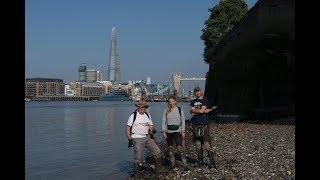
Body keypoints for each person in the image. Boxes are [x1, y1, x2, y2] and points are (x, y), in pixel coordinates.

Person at [126, 100, 165, 178]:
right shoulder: (133, 115)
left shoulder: (147, 115)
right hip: (137, 138)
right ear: (138, 107)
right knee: (138, 158)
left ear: (146, 108)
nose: (142, 108)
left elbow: (151, 125)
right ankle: (137, 175)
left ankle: (159, 170)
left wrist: (153, 129)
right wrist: (129, 139)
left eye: (143, 107)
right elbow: (128, 127)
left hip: (147, 137)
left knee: (158, 152)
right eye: (140, 107)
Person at [189, 87, 216, 168]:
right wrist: (203, 110)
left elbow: (196, 111)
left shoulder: (205, 100)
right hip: (195, 123)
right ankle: (200, 161)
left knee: (206, 142)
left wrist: (196, 111)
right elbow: (193, 112)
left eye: (198, 91)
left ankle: (212, 161)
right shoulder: (192, 101)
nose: (197, 93)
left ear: (201, 92)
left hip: (204, 123)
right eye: (195, 92)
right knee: (197, 142)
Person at [161, 95, 187, 167]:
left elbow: (183, 121)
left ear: (175, 101)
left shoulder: (179, 109)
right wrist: (164, 132)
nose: (171, 103)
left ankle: (185, 164)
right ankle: (172, 163)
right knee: (170, 148)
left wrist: (183, 131)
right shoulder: (166, 110)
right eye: (170, 102)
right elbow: (163, 121)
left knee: (180, 148)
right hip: (168, 132)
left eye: (173, 101)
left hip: (177, 131)